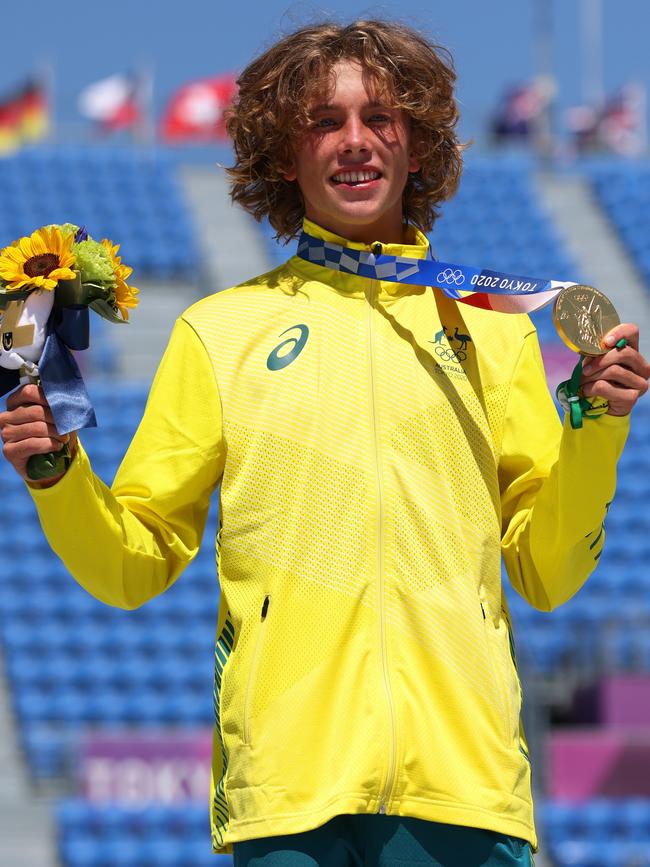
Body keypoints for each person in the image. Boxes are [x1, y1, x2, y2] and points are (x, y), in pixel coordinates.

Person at [2, 19, 650, 867]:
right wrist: (57, 474)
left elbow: (549, 571)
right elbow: (133, 564)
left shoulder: (497, 333)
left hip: (464, 788)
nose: (355, 141)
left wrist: (596, 430)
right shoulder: (219, 332)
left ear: (418, 144)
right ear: (283, 153)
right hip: (288, 799)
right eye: (323, 120)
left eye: (382, 117)